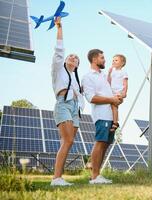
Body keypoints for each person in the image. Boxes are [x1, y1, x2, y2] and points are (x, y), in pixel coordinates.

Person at [50, 17, 84, 186]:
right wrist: (59, 28)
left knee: (67, 142)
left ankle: (59, 177)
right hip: (63, 104)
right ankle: (56, 178)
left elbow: (81, 94)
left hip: (75, 109)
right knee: (68, 140)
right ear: (64, 60)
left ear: (77, 65)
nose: (72, 57)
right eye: (70, 56)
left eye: (76, 58)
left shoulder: (76, 79)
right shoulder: (58, 69)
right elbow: (59, 50)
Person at [82, 49, 123, 184]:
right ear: (94, 60)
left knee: (105, 145)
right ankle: (94, 176)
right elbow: (91, 98)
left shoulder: (104, 76)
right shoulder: (88, 77)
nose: (105, 60)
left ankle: (97, 175)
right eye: (102, 58)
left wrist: (117, 98)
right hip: (101, 115)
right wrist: (111, 100)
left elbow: (111, 93)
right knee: (100, 143)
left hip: (111, 115)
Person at [107, 54, 128, 132]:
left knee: (114, 105)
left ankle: (115, 123)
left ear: (122, 63)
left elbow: (125, 84)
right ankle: (114, 121)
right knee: (112, 107)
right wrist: (109, 73)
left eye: (116, 60)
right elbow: (108, 82)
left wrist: (124, 93)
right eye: (113, 60)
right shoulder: (111, 72)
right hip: (111, 93)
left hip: (119, 92)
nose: (113, 61)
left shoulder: (123, 72)